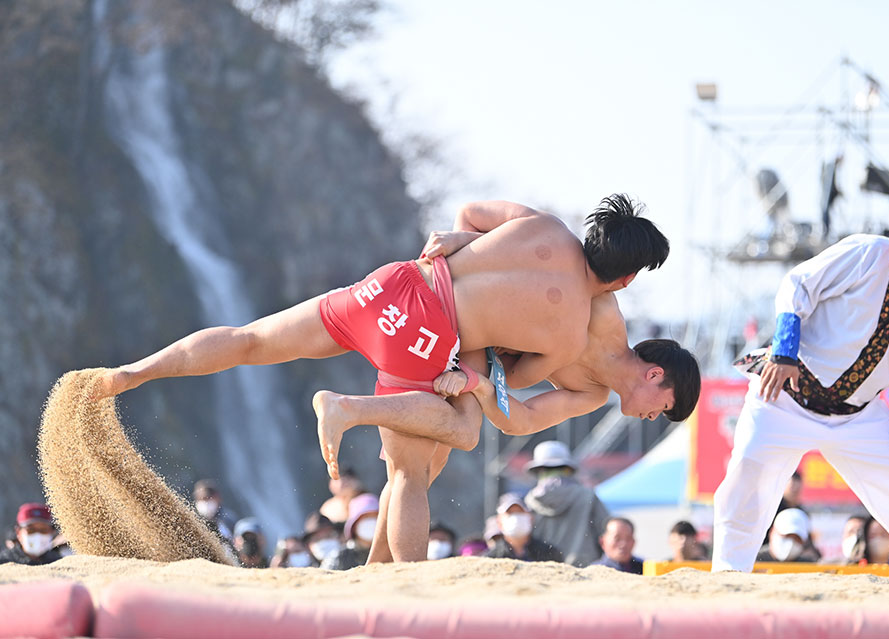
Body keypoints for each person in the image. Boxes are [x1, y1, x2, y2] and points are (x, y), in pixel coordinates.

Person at [95, 195, 670, 564]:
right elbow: (503, 378)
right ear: (623, 277)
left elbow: (468, 213)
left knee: (254, 340)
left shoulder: (541, 225)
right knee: (416, 469)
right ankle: (353, 427)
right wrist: (472, 369)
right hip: (427, 332)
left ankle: (132, 372)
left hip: (397, 281)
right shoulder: (569, 331)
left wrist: (462, 244)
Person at [318, 296, 699, 565]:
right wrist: (463, 233)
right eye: (662, 407)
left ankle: (376, 569)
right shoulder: (603, 312)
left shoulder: (593, 395)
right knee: (428, 459)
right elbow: (552, 259)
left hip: (477, 356)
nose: (652, 418)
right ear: (655, 374)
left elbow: (523, 421)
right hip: (458, 320)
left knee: (417, 469)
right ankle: (348, 409)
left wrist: (480, 386)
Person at [712, 201, 889, 581]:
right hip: (786, 395)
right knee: (747, 474)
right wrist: (784, 350)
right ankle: (726, 577)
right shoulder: (870, 253)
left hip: (857, 416)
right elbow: (798, 285)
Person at [520, 440, 609, 567]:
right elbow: (606, 533)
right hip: (583, 572)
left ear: (538, 470)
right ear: (568, 469)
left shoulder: (529, 501)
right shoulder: (587, 496)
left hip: (541, 571)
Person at [484, 493, 562, 563]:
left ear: (531, 518)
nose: (516, 518)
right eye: (510, 513)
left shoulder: (549, 554)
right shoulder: (491, 559)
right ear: (499, 522)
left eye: (520, 512)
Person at [324, 493, 379, 570]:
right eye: (365, 517)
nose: (370, 522)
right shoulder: (340, 557)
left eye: (374, 516)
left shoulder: (390, 551)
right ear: (354, 525)